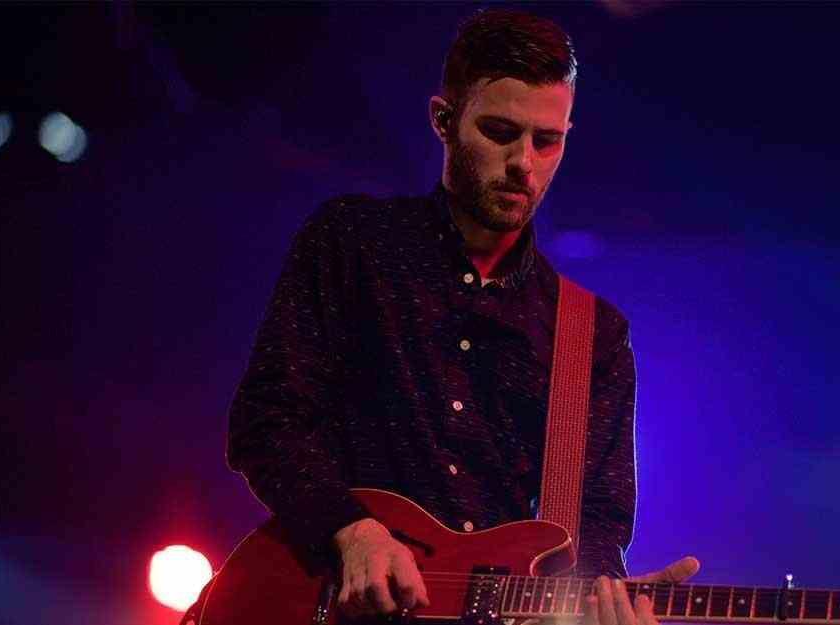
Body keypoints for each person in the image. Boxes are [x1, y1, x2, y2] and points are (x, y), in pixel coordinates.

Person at [226, 8, 699, 624]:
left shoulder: (594, 335)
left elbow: (597, 527)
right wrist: (352, 530)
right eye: (500, 132)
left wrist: (602, 603)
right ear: (443, 120)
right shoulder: (352, 243)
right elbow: (267, 420)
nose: (523, 162)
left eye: (546, 141)